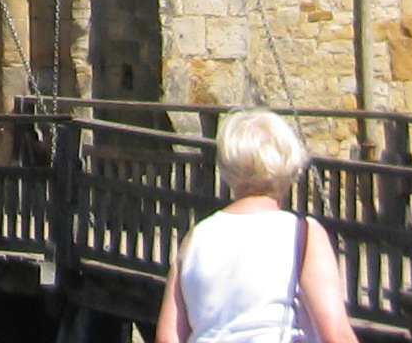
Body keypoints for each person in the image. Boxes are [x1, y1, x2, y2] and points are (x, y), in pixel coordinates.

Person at [152, 110, 360, 343]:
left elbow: (169, 336)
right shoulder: (302, 233)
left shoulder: (197, 237)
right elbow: (335, 334)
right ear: (289, 161)